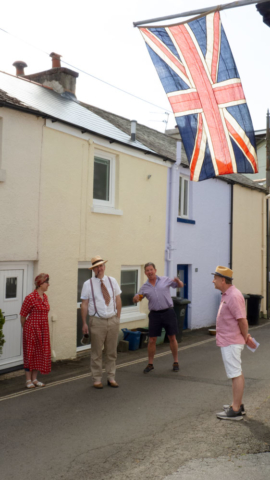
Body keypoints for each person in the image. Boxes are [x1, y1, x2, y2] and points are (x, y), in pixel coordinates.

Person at [212, 266, 256, 421]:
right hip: (229, 340)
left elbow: (242, 320)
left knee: (235, 373)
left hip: (231, 342)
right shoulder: (228, 294)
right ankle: (237, 404)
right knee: (236, 372)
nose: (213, 281)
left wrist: (245, 336)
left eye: (215, 278)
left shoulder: (233, 296)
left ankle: (236, 410)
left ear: (223, 280)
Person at [133, 262, 183, 374]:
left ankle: (176, 362)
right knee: (151, 340)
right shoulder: (145, 287)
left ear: (155, 270)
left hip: (168, 312)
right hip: (155, 315)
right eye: (147, 270)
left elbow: (179, 285)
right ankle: (150, 364)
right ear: (145, 273)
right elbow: (138, 298)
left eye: (151, 269)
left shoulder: (165, 280)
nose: (149, 272)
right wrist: (135, 299)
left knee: (172, 338)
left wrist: (178, 281)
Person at [81, 256, 122, 389]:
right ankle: (97, 379)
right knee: (96, 352)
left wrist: (118, 317)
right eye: (97, 266)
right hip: (97, 321)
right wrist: (84, 323)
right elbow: (84, 304)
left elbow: (118, 299)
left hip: (112, 320)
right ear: (93, 269)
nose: (100, 268)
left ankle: (111, 377)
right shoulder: (88, 284)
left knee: (111, 352)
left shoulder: (112, 281)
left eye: (101, 265)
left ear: (104, 266)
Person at [20, 273, 51, 389]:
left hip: (43, 330)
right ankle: (28, 380)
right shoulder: (30, 298)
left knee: (39, 353)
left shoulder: (45, 297)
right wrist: (26, 329)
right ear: (40, 284)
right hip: (31, 329)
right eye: (47, 282)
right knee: (30, 353)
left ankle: (35, 379)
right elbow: (23, 315)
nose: (49, 284)